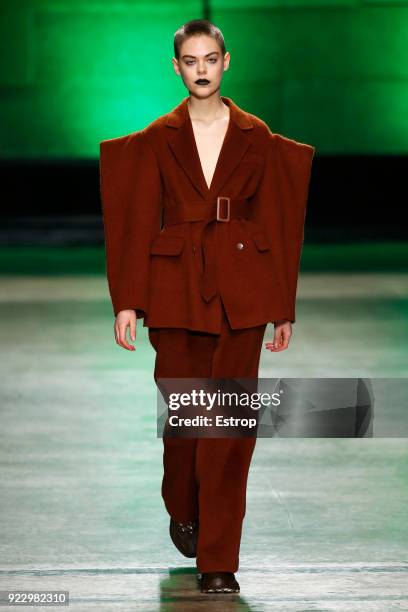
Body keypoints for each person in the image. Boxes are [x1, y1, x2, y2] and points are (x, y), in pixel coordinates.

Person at [99, 18, 315, 594]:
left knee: (230, 427)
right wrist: (128, 301)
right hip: (174, 287)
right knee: (188, 421)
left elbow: (277, 220)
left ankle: (219, 559)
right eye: (190, 60)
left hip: (241, 288)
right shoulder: (156, 138)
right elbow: (136, 218)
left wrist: (281, 305)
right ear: (177, 67)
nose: (201, 69)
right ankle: (182, 504)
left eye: (210, 58)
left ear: (226, 61)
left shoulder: (256, 135)